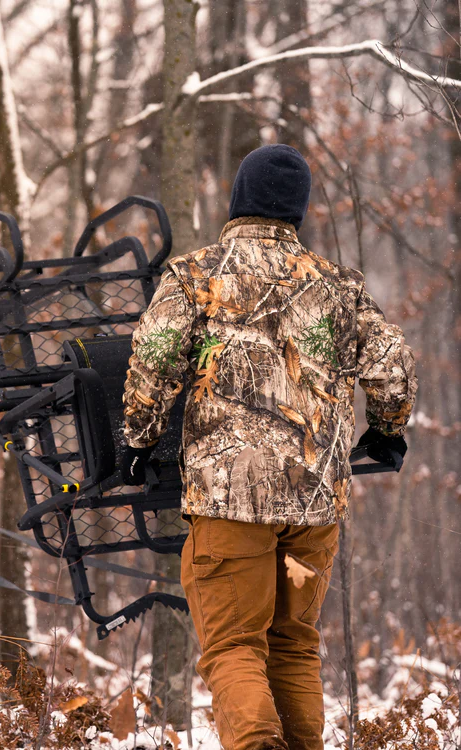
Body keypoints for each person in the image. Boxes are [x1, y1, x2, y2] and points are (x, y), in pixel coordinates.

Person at [120, 144, 417, 750]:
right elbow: (394, 367)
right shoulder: (339, 286)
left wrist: (139, 438)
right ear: (298, 211)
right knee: (293, 645)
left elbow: (154, 358)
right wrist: (388, 429)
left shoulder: (197, 275)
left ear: (239, 199)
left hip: (230, 503)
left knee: (234, 646)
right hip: (314, 509)